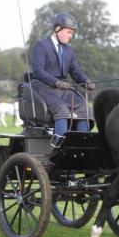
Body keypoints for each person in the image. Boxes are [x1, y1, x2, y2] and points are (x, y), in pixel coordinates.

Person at [31, 12, 96, 147]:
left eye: (72, 33)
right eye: (68, 32)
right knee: (62, 109)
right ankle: (58, 147)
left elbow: (76, 72)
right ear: (57, 29)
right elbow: (38, 71)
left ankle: (79, 147)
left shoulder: (69, 51)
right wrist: (56, 82)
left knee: (85, 109)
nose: (70, 36)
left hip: (62, 89)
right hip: (43, 87)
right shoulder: (41, 46)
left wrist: (86, 81)